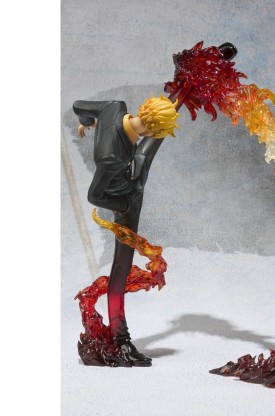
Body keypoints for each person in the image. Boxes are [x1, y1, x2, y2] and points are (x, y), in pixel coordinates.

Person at [73, 95, 179, 366]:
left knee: (155, 140)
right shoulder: (110, 158)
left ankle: (186, 86)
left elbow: (78, 105)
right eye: (160, 131)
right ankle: (121, 340)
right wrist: (125, 205)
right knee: (121, 268)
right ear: (152, 128)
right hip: (125, 199)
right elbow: (95, 196)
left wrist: (86, 122)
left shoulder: (113, 107)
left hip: (134, 166)